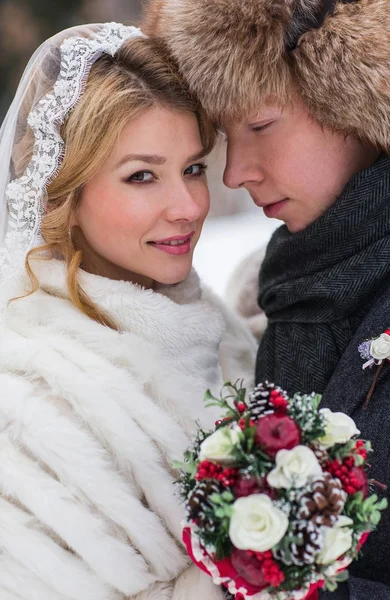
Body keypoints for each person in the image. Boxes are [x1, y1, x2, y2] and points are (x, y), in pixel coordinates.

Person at [142, 1, 390, 598]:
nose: (234, 174)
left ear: (356, 99)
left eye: (259, 125)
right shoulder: (268, 297)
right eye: (223, 141)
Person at [0, 22, 257, 600]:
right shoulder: (26, 407)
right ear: (65, 194)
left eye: (193, 168)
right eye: (142, 175)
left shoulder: (218, 324)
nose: (189, 206)